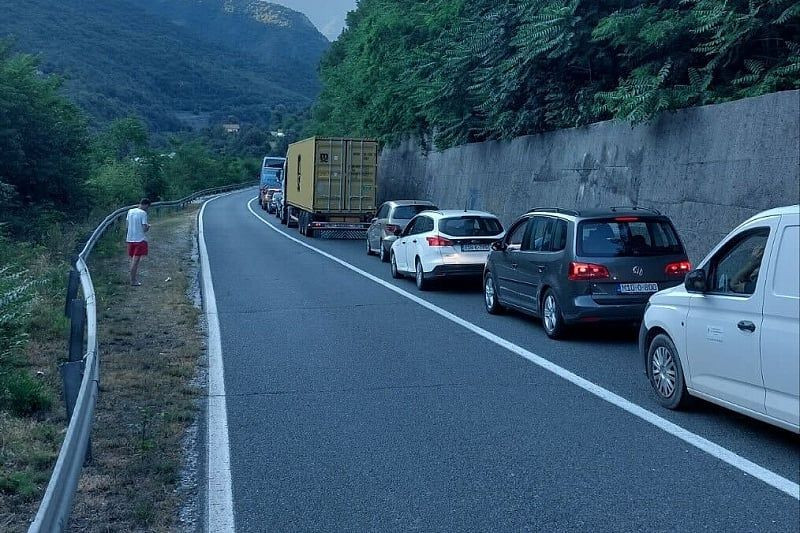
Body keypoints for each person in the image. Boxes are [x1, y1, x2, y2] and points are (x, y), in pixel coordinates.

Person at [126, 198, 151, 286]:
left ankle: (132, 278)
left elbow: (127, 224)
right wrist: (148, 227)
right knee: (135, 261)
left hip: (130, 238)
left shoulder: (130, 211)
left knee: (131, 259)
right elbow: (144, 228)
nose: (147, 209)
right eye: (147, 207)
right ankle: (133, 280)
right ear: (146, 205)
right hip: (139, 239)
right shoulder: (143, 213)